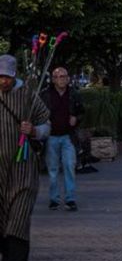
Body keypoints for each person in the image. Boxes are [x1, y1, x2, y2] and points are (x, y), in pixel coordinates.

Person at [0, 55, 50, 261]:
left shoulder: (28, 94)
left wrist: (34, 131)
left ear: (14, 76)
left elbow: (46, 124)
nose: (3, 82)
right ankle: (8, 258)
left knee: (19, 216)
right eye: (0, 77)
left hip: (23, 167)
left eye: (7, 77)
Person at [41, 66, 85, 211]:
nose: (61, 79)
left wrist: (76, 119)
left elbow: (82, 112)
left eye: (64, 76)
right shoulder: (45, 95)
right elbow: (37, 112)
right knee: (53, 170)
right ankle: (54, 198)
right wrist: (44, 121)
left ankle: (70, 199)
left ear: (68, 78)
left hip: (68, 136)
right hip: (51, 136)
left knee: (69, 167)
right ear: (53, 79)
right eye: (58, 77)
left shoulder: (74, 94)